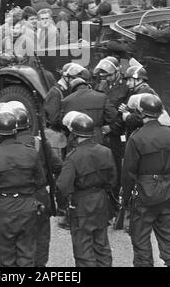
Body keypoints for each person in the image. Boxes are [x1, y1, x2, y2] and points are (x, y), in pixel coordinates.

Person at [0, 111, 46, 267]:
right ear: (15, 130)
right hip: (27, 205)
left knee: (5, 254)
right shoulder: (31, 152)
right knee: (27, 251)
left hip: (5, 206)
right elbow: (41, 181)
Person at [122, 94, 170, 267]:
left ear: (141, 112)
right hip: (169, 190)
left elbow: (128, 173)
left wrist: (125, 199)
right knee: (169, 235)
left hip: (144, 192)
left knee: (140, 237)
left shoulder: (136, 137)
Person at [5, 102, 62, 267]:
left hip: (13, 199)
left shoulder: (5, 147)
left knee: (14, 240)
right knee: (41, 238)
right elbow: (58, 166)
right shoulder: (39, 142)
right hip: (39, 196)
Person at [56, 112, 117, 267]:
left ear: (74, 134)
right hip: (101, 200)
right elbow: (113, 179)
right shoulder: (105, 151)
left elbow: (63, 186)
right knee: (102, 246)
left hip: (81, 202)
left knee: (83, 250)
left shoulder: (73, 156)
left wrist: (62, 206)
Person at [93, 56, 129, 199]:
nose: (107, 78)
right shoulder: (100, 86)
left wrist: (112, 127)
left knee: (116, 168)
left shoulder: (126, 87)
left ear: (117, 72)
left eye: (109, 75)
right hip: (102, 135)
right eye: (104, 76)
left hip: (117, 134)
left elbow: (125, 113)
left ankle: (115, 197)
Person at [61, 68, 122, 151]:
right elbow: (113, 116)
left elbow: (62, 122)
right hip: (98, 138)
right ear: (87, 85)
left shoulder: (66, 101)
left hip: (75, 141)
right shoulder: (102, 97)